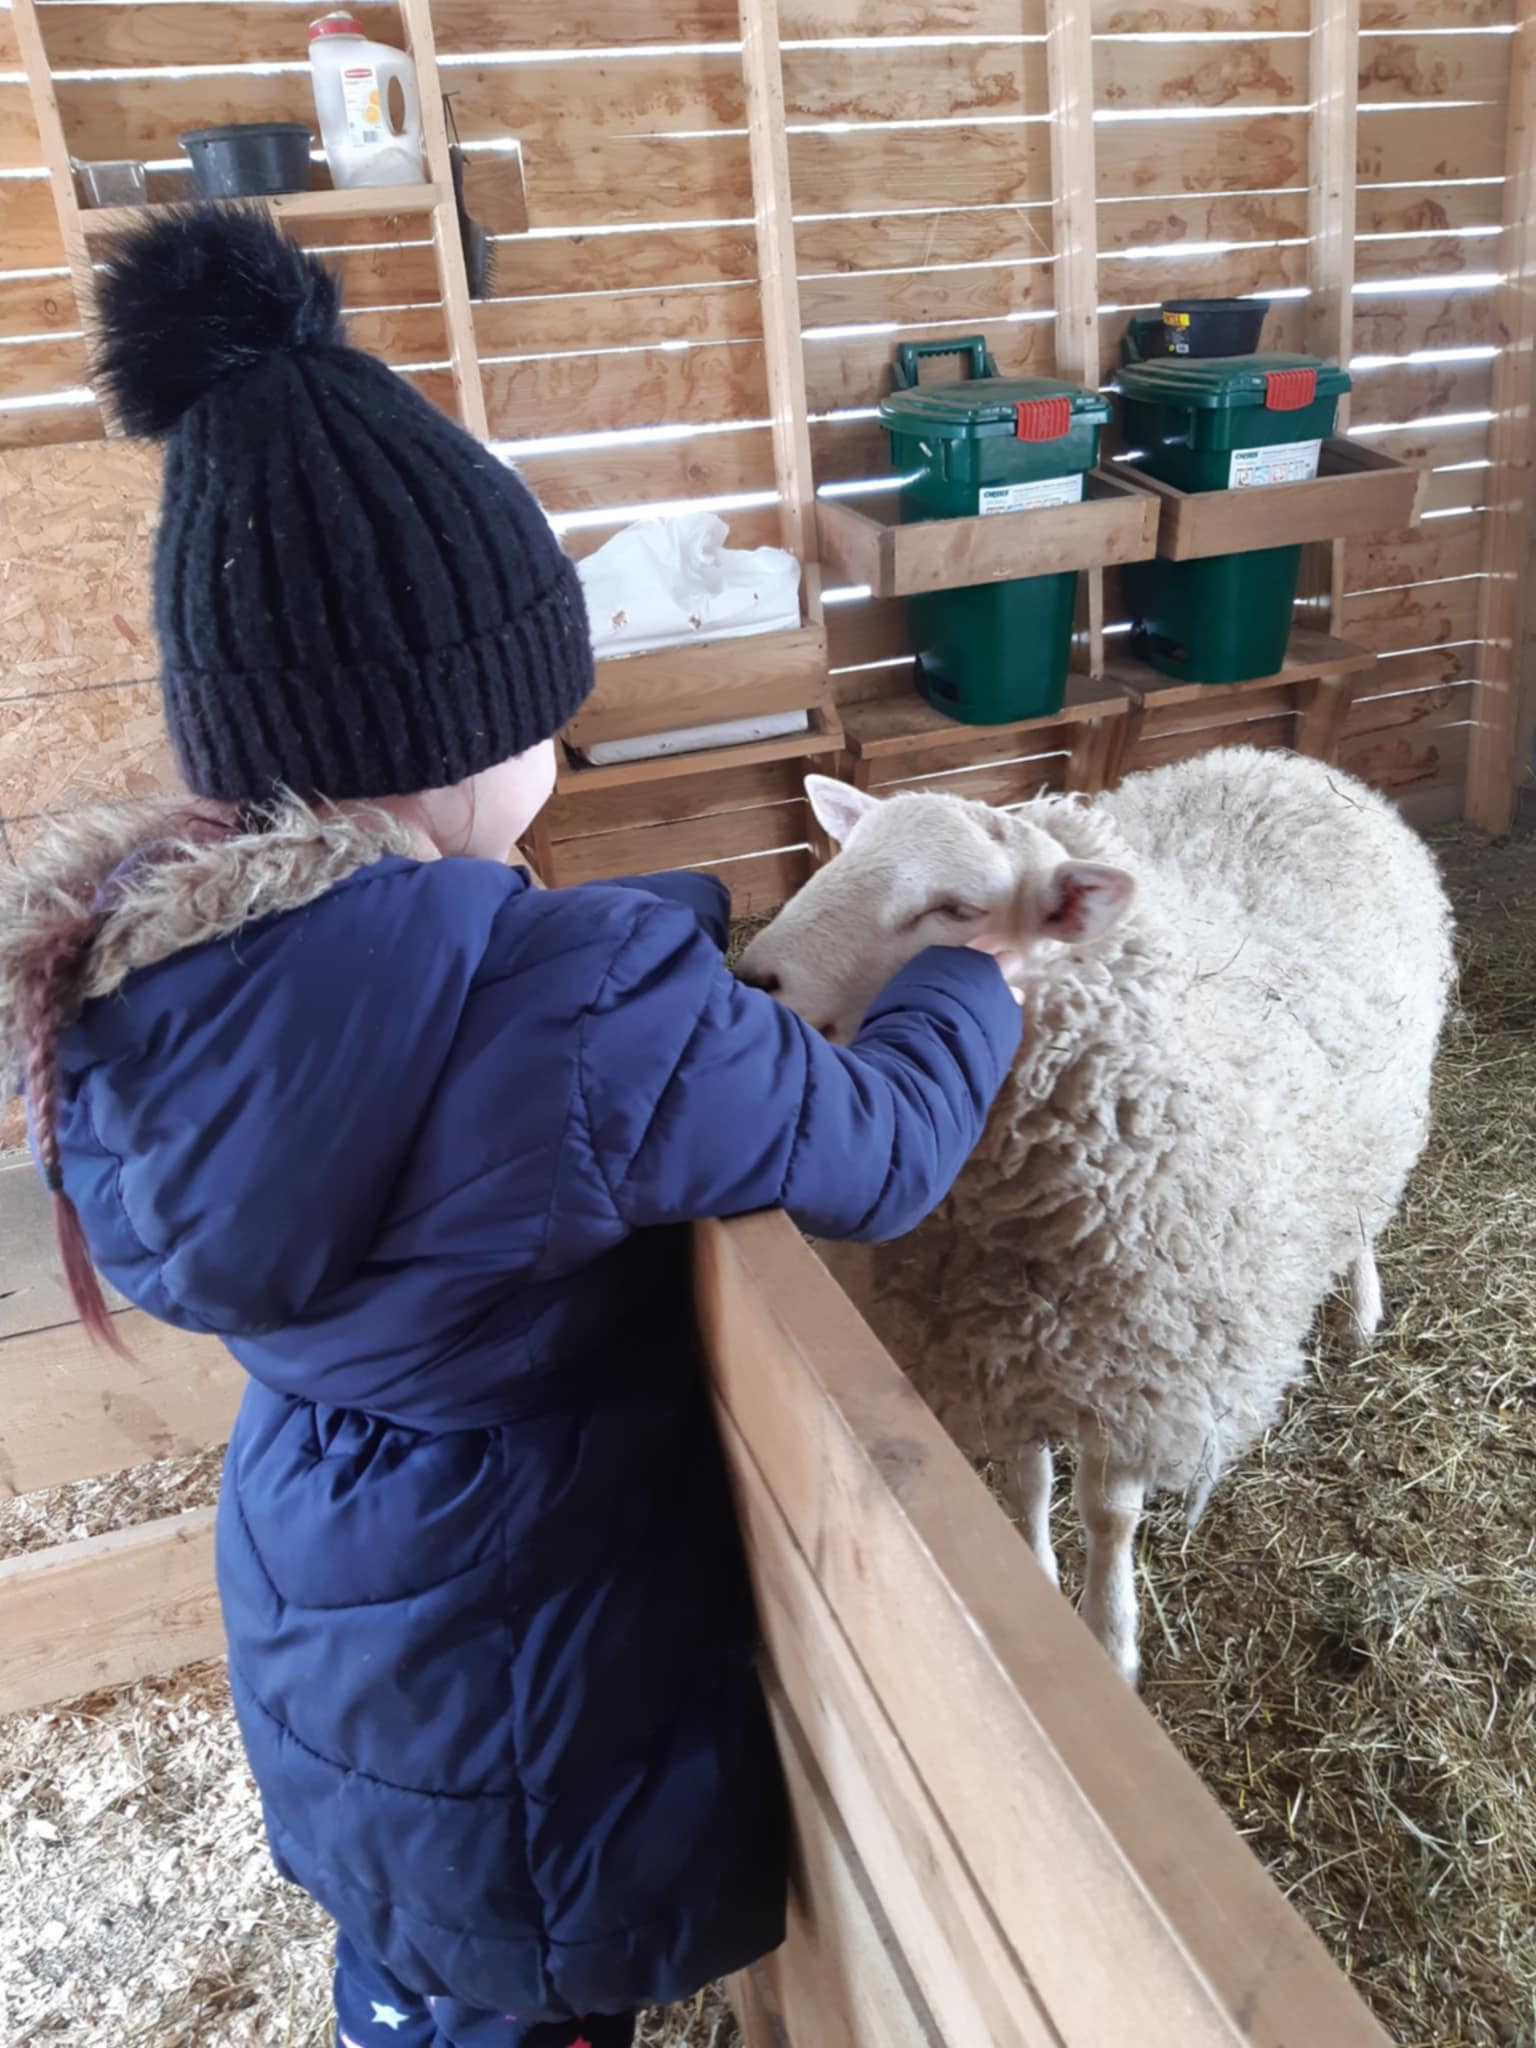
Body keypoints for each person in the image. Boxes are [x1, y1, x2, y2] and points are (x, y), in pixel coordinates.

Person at [0, 208, 1024, 2048]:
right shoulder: (573, 1022)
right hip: (535, 1687)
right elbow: (880, 1146)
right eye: (550, 715)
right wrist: (975, 980)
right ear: (473, 736)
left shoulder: (161, 999)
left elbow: (489, 1011)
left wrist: (677, 946)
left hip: (343, 1622)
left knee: (408, 1969)